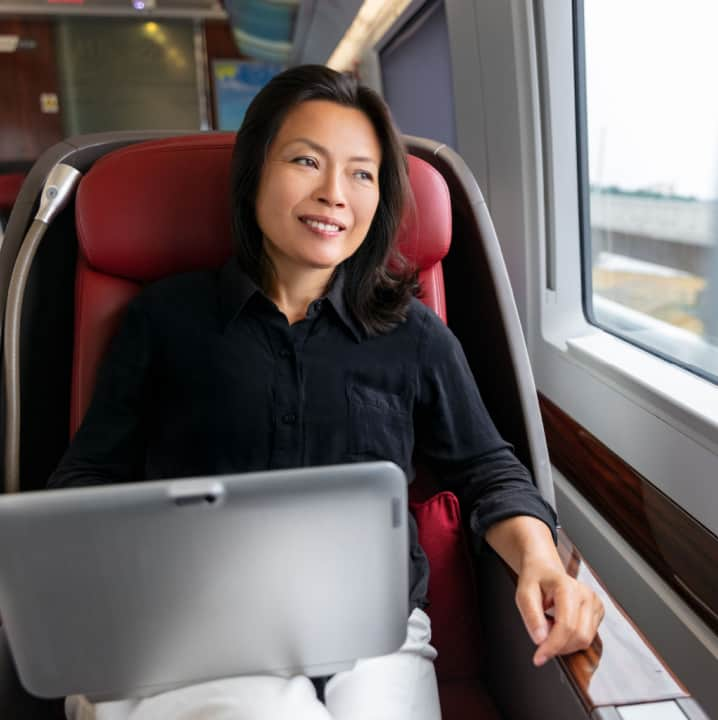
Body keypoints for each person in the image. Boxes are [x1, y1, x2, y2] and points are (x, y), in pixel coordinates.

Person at [50, 64, 604, 720]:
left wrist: (542, 557)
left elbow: (490, 471)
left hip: (377, 636)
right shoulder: (163, 319)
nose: (335, 194)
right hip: (205, 627)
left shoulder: (413, 335)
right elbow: (87, 478)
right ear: (255, 170)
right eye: (306, 161)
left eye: (362, 173)